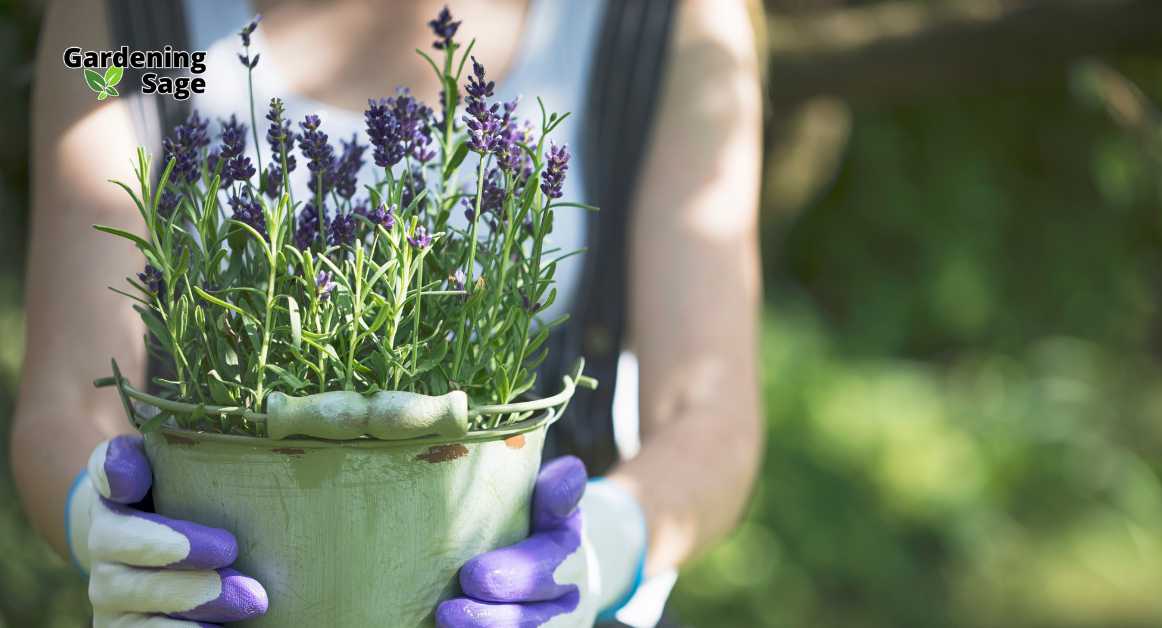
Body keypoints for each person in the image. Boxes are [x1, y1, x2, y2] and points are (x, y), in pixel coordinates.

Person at [12, 0, 764, 626]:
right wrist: (101, 522)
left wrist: (606, 545)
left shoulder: (658, 20)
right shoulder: (147, 24)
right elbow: (70, 397)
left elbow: (709, 411)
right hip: (234, 596)